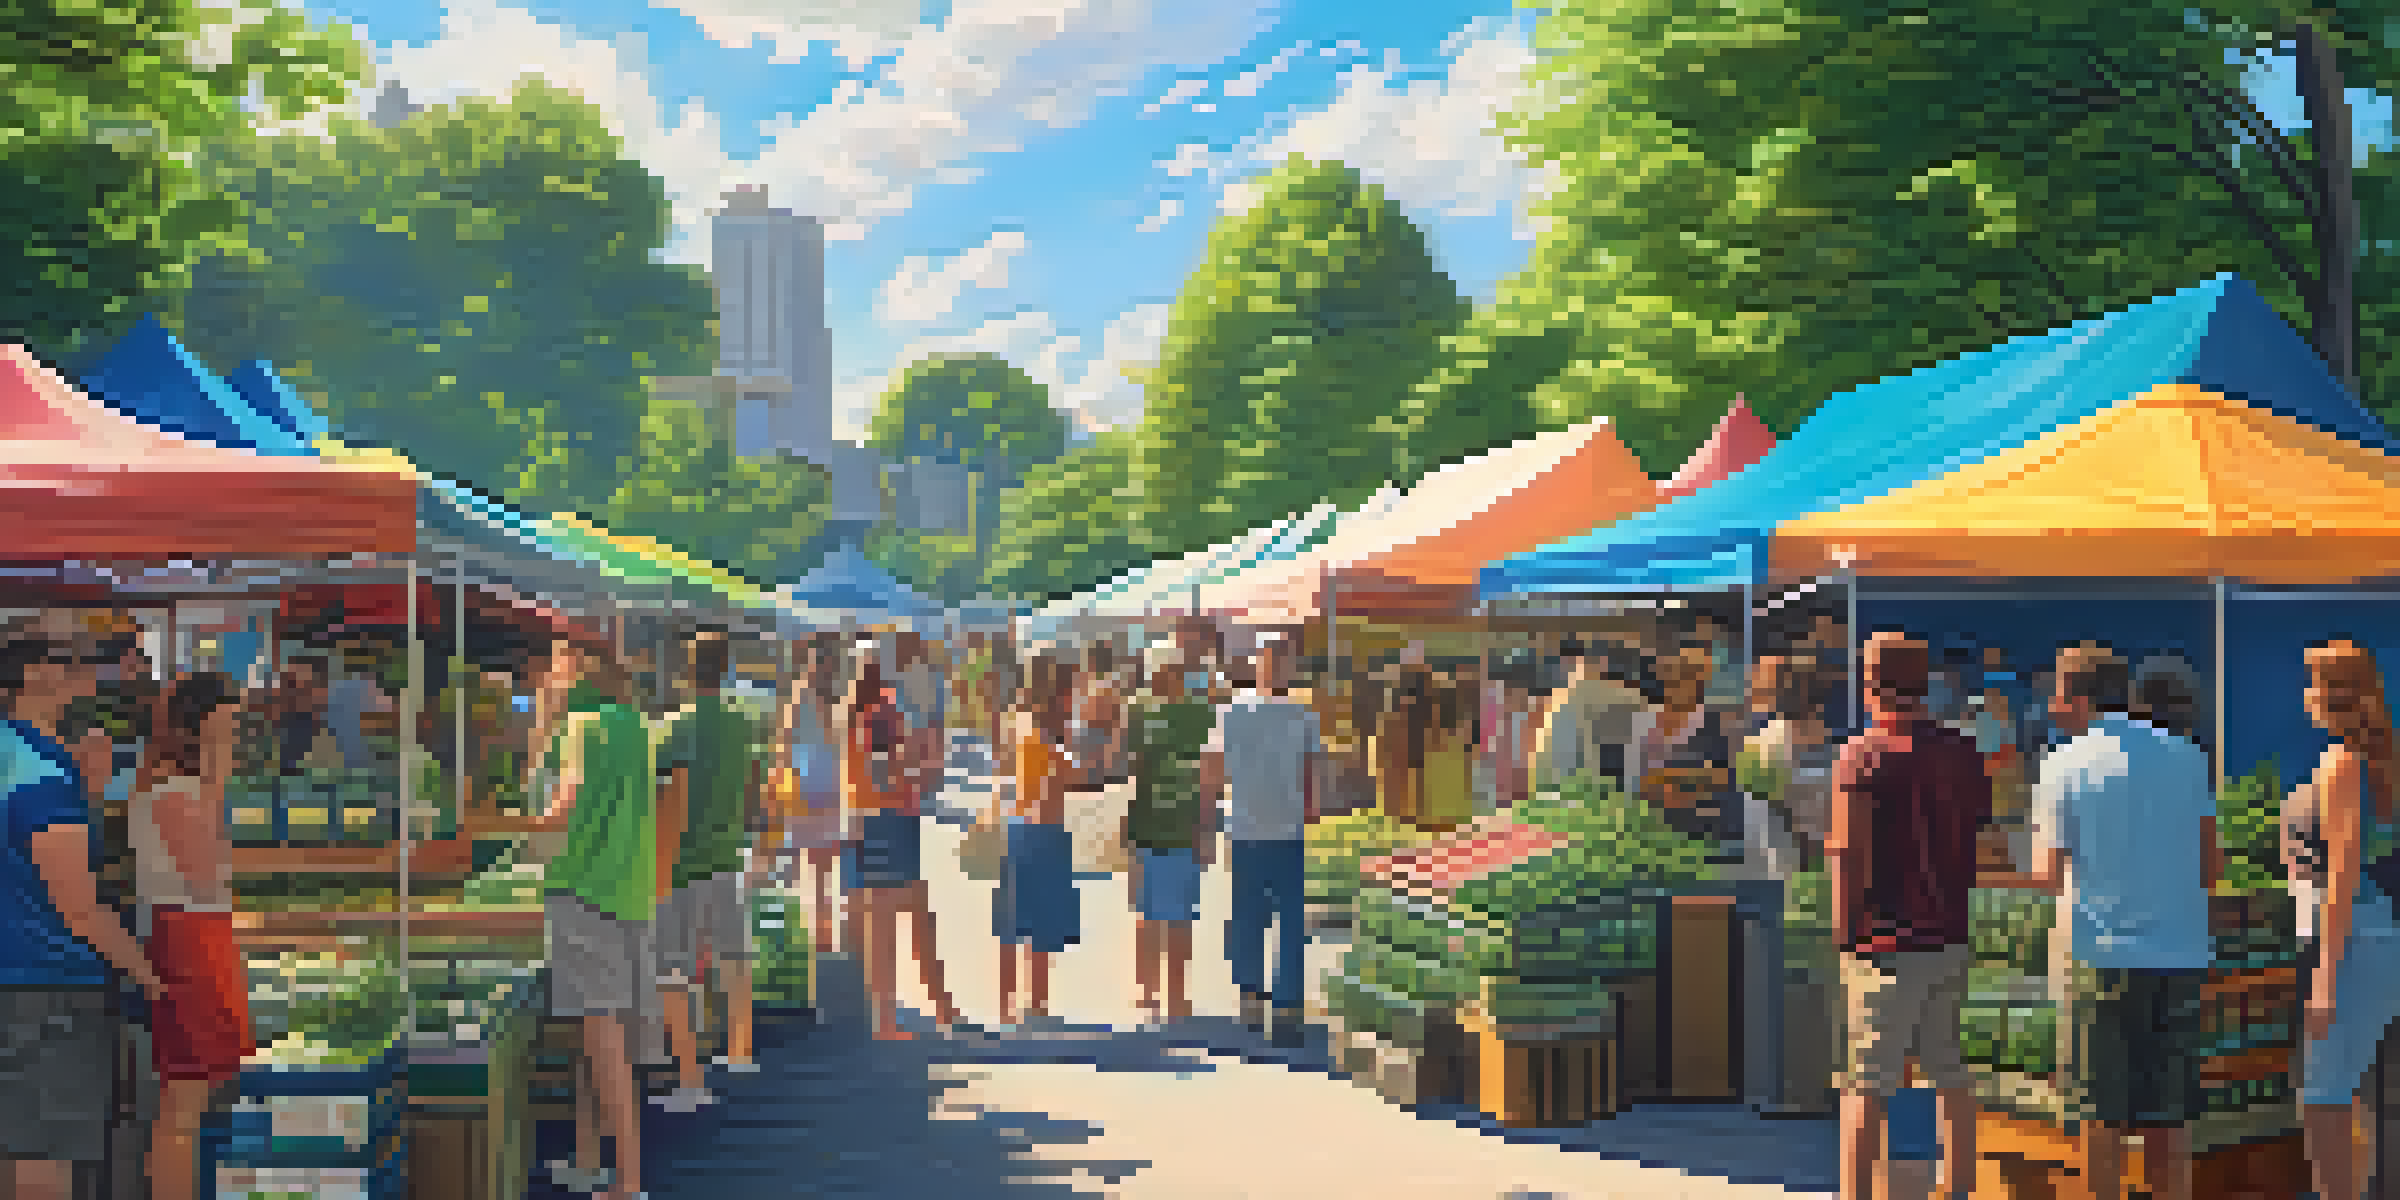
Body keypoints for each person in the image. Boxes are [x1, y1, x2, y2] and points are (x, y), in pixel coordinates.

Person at [1979, 643, 2214, 1200]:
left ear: (2073, 695)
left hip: (2098, 956)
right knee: (2169, 1121)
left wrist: (1986, 862)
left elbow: (2047, 874)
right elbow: (2211, 864)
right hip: (2179, 954)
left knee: (2099, 1118)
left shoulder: (2062, 761)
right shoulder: (2186, 755)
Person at [2, 623, 166, 1200]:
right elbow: (80, 910)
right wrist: (150, 975)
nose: (82, 671)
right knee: (45, 1158)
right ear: (31, 677)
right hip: (47, 989)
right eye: (65, 661)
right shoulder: (41, 777)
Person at [1828, 632, 1993, 1200]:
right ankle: (1961, 1187)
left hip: (1883, 943)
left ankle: (1857, 1195)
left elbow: (1847, 852)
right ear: (1927, 686)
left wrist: (1844, 934)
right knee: (1952, 1077)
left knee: (1866, 1085)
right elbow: (1981, 838)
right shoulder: (1963, 752)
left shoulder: (1862, 754)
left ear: (1871, 685)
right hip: (1949, 936)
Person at [528, 637, 661, 1200]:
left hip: (584, 889)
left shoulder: (580, 726)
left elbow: (562, 807)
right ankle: (589, 1157)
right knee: (599, 1036)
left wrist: (504, 824)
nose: (546, 671)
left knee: (603, 1042)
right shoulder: (635, 724)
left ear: (577, 667)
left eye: (555, 661)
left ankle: (628, 1181)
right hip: (627, 890)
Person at [129, 672, 253, 1200]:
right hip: (187, 938)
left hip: (196, 934)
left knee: (193, 1098)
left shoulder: (170, 786)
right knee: (183, 1102)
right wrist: (218, 769)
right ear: (203, 725)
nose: (240, 733)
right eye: (231, 721)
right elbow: (206, 871)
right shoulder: (172, 790)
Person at [2284, 640, 2400, 1200]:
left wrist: (2325, 982)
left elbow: (2342, 877)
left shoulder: (2342, 764)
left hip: (2347, 939)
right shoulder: (2377, 761)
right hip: (2372, 935)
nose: (2306, 694)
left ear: (2329, 694)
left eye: (2313, 682)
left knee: (2323, 1093)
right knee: (2354, 1091)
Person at [652, 632, 765, 1110]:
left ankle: (690, 1079)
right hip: (726, 854)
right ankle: (739, 1052)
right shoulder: (743, 724)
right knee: (732, 955)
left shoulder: (672, 729)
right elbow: (755, 787)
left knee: (677, 970)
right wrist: (755, 838)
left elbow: (661, 799)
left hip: (679, 863)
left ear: (683, 671)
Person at [1202, 636, 1321, 1045]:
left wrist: (1209, 817)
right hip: (1278, 831)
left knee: (1252, 919)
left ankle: (1254, 1001)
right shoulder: (1301, 716)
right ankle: (1282, 1010)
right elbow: (1313, 778)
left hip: (1252, 830)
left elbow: (1211, 771)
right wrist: (1311, 808)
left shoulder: (1233, 713)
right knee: (1284, 923)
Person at [844, 647, 961, 1040]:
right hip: (894, 819)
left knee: (887, 924)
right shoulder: (884, 713)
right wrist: (923, 764)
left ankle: (913, 1010)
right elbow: (888, 773)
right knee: (906, 918)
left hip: (872, 820)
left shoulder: (854, 716)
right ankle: (921, 1011)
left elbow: (866, 775)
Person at [1122, 650, 1218, 1025]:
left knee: (1177, 918)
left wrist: (1205, 829)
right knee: (1148, 917)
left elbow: (1210, 774)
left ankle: (1175, 998)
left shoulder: (1201, 714)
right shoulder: (1140, 711)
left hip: (1183, 829)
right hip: (1147, 827)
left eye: (1175, 670)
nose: (1169, 677)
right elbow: (1128, 770)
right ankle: (1148, 996)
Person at [993, 656, 1081, 1027]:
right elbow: (1055, 785)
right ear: (1057, 692)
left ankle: (1006, 1003)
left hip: (1017, 827)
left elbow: (1006, 770)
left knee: (1013, 921)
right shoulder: (1047, 734)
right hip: (1044, 830)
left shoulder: (1018, 720)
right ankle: (1037, 1003)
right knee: (1041, 923)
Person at [775, 639, 848, 954]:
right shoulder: (807, 696)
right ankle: (816, 933)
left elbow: (785, 743)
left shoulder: (825, 698)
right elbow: (784, 745)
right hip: (812, 789)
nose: (821, 667)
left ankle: (821, 933)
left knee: (822, 868)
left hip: (824, 789)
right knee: (812, 867)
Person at [1738, 655, 1836, 877]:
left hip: (1791, 873)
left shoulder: (1758, 745)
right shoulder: (1759, 747)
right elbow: (1766, 831)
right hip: (1782, 874)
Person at [1643, 642, 1740, 855]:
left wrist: (1673, 781)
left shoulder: (1714, 724)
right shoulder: (1646, 720)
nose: (1677, 682)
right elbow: (1635, 778)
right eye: (1674, 674)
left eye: (1687, 675)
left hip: (1699, 829)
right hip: (1649, 827)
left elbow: (1722, 777)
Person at [1527, 641, 1654, 798]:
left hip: (1547, 784)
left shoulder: (1564, 693)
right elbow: (1640, 709)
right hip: (1573, 785)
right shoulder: (1589, 689)